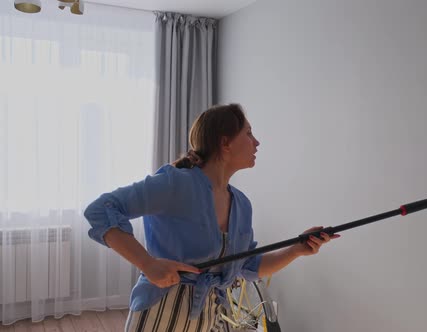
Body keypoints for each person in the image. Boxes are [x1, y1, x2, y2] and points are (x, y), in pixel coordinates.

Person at [84, 103, 339, 332]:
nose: (257, 142)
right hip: (160, 314)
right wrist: (147, 264)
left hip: (211, 315)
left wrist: (296, 250)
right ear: (225, 143)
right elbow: (101, 209)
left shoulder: (241, 204)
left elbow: (249, 266)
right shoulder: (175, 183)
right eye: (248, 133)